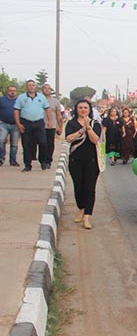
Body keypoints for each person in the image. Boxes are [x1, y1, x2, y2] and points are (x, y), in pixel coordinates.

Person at [64, 99, 102, 230]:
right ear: (76, 109)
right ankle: (81, 207)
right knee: (78, 186)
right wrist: (81, 130)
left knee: (90, 188)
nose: (83, 110)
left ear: (90, 109)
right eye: (80, 107)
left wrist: (88, 127)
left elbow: (95, 140)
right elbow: (68, 138)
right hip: (75, 160)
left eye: (86, 107)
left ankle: (87, 217)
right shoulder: (71, 123)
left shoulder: (96, 123)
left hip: (92, 161)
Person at [14, 80, 51, 172]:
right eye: (29, 85)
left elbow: (47, 109)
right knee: (26, 144)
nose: (31, 87)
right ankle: (27, 165)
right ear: (26, 87)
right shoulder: (21, 97)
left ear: (35, 87)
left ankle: (43, 161)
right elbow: (16, 111)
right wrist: (18, 123)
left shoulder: (41, 97)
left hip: (39, 123)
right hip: (26, 123)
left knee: (43, 142)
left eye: (33, 85)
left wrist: (50, 121)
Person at [40, 83, 63, 168]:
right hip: (40, 126)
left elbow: (58, 115)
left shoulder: (55, 101)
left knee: (50, 144)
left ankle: (48, 160)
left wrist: (60, 127)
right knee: (42, 143)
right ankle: (42, 160)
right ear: (42, 90)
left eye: (48, 88)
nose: (47, 90)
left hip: (51, 126)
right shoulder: (38, 99)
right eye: (45, 88)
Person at [0, 84, 21, 167]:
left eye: (14, 91)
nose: (12, 92)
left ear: (16, 92)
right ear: (7, 91)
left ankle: (13, 160)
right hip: (3, 124)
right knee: (1, 140)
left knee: (14, 144)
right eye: (10, 90)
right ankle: (1, 158)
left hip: (16, 125)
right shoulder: (2, 100)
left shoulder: (19, 100)